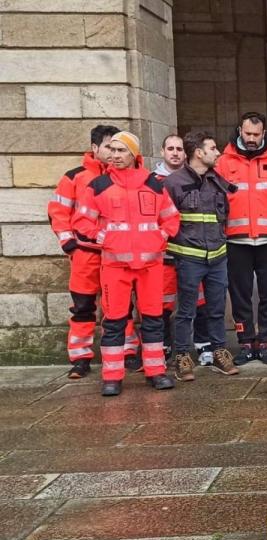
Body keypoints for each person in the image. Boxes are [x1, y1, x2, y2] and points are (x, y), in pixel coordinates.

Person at [74, 131, 179, 396]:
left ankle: (156, 372)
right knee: (114, 322)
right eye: (112, 150)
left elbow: (171, 218)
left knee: (154, 320)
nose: (115, 155)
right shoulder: (99, 185)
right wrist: (103, 238)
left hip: (150, 267)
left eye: (121, 151)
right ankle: (112, 377)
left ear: (134, 154)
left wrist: (160, 237)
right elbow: (81, 221)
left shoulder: (154, 185)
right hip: (115, 267)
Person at [48, 124, 141, 379]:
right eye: (109, 147)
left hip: (115, 253)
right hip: (86, 254)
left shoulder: (121, 175)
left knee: (122, 306)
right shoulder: (75, 177)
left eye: (117, 147)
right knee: (83, 307)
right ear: (95, 148)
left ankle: (128, 351)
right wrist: (69, 243)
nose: (113, 152)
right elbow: (58, 211)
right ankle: (80, 358)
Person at [217, 111, 267, 365]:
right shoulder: (222, 163)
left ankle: (266, 343)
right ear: (240, 130)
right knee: (240, 296)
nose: (251, 138)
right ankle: (246, 343)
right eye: (247, 133)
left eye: (256, 134)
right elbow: (215, 203)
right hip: (235, 241)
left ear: (264, 134)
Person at [164, 131, 240, 381]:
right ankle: (183, 357)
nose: (217, 153)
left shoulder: (216, 181)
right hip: (188, 258)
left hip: (217, 257)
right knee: (186, 311)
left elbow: (222, 217)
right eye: (213, 148)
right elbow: (165, 219)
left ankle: (219, 352)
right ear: (199, 152)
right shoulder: (173, 183)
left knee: (217, 309)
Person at [153, 135, 213, 366]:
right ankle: (165, 346)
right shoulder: (153, 181)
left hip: (191, 252)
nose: (175, 153)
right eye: (170, 148)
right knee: (163, 304)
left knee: (199, 301)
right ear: (162, 152)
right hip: (165, 254)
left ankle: (203, 344)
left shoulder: (198, 177)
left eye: (179, 149)